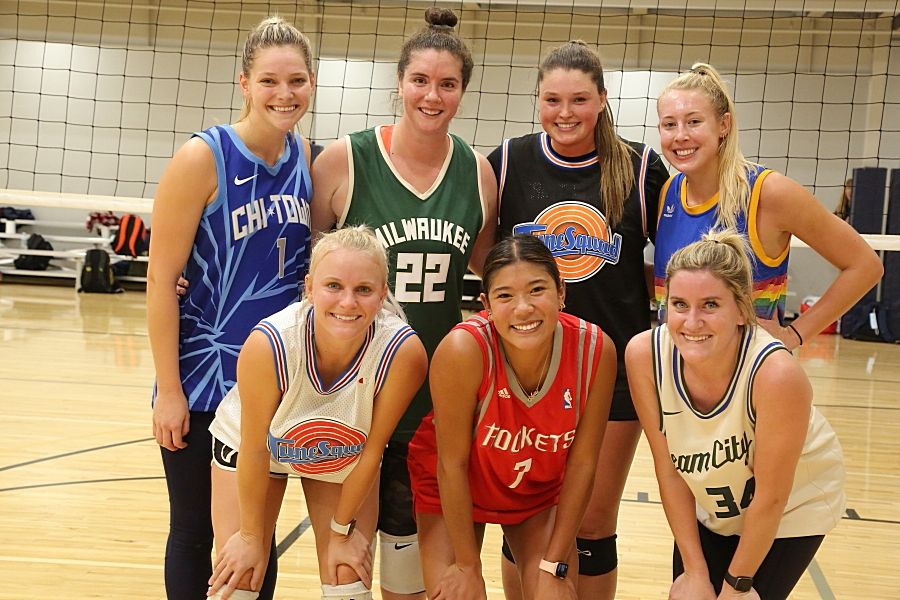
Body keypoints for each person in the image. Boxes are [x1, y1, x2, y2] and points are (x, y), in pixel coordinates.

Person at [311, 8, 497, 599]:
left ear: (463, 92)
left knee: (409, 568)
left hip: (435, 395)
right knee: (345, 563)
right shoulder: (344, 160)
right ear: (399, 82)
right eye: (420, 80)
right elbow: (301, 270)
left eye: (447, 84)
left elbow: (491, 277)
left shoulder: (478, 174)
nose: (432, 95)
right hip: (352, 389)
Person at [487, 40, 668, 599]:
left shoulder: (640, 168)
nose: (565, 113)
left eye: (579, 100)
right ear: (537, 100)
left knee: (590, 523)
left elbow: (673, 261)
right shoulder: (510, 160)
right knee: (521, 518)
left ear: (603, 100)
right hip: (526, 372)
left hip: (611, 370)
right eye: (552, 100)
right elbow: (482, 251)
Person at [147, 16, 315, 599]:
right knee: (195, 533)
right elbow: (160, 281)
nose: (284, 93)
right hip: (202, 379)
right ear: (244, 83)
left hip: (270, 385)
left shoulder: (306, 160)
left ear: (312, 83)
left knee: (255, 536)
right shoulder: (202, 158)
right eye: (270, 80)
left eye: (296, 80)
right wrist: (169, 390)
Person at [205, 226, 428, 600]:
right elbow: (256, 450)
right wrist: (249, 537)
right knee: (238, 577)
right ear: (309, 287)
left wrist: (341, 532)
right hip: (256, 450)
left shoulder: (403, 352)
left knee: (346, 576)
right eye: (334, 286)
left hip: (343, 454)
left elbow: (373, 452)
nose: (347, 303)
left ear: (383, 294)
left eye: (364, 290)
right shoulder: (270, 343)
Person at [625, 230, 846, 600]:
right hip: (714, 502)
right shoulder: (644, 356)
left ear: (742, 310)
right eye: (679, 304)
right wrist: (694, 573)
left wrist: (737, 585)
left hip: (790, 509)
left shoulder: (776, 375)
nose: (691, 322)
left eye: (710, 305)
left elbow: (771, 498)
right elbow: (669, 470)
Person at [407, 235, 616, 600]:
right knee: (457, 594)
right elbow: (451, 464)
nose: (523, 309)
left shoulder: (595, 349)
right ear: (486, 304)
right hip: (458, 487)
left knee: (555, 594)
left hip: (534, 488)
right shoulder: (462, 350)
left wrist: (555, 565)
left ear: (561, 291)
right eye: (505, 296)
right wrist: (469, 568)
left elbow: (583, 463)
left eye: (537, 290)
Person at [654, 63, 883, 348]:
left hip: (751, 375)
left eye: (694, 122)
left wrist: (795, 335)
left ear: (723, 125)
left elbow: (865, 265)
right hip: (677, 369)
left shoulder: (768, 192)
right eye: (669, 124)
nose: (680, 136)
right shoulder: (669, 193)